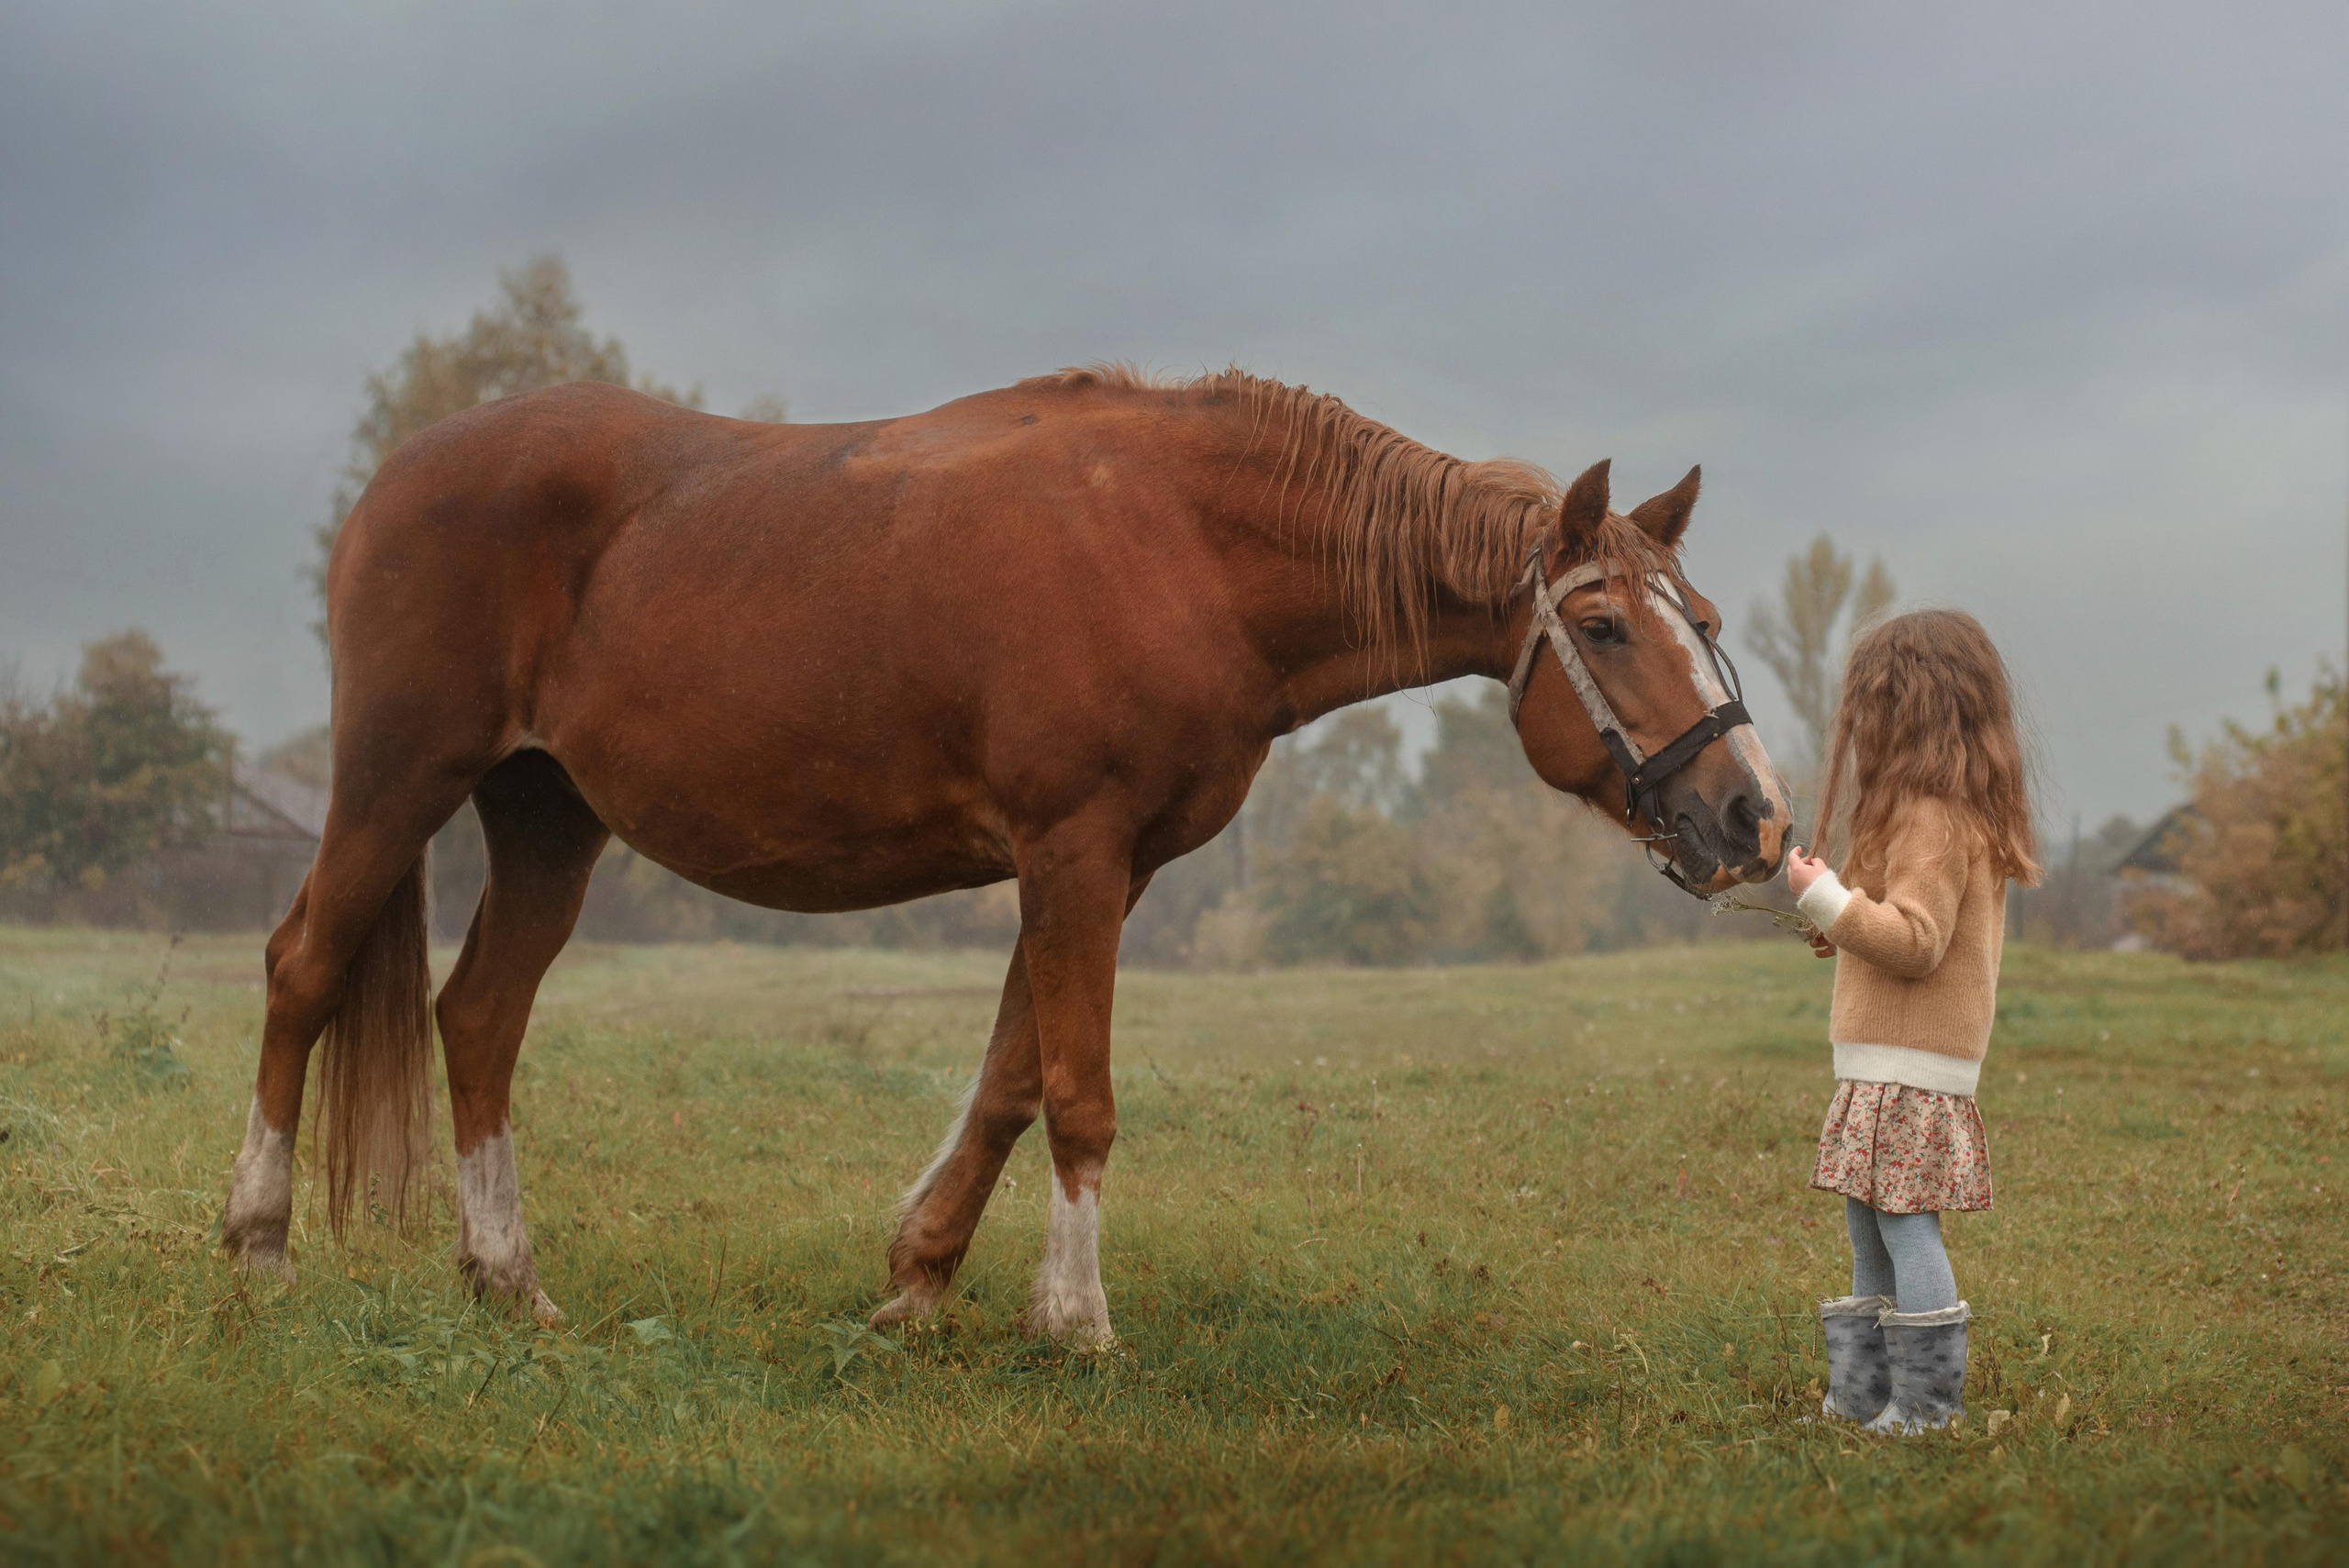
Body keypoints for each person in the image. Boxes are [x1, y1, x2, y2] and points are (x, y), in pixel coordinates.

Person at [1784, 608, 2040, 1434]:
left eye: (1874, 708)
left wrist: (1827, 898)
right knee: (1869, 1230)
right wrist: (1842, 920)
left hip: (1911, 1069)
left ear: (1911, 712)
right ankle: (1862, 1395)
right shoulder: (1925, 813)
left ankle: (1927, 1408)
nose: (1861, 727)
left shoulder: (1933, 817)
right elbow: (1887, 926)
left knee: (1904, 1228)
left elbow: (1919, 942)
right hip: (1882, 1062)